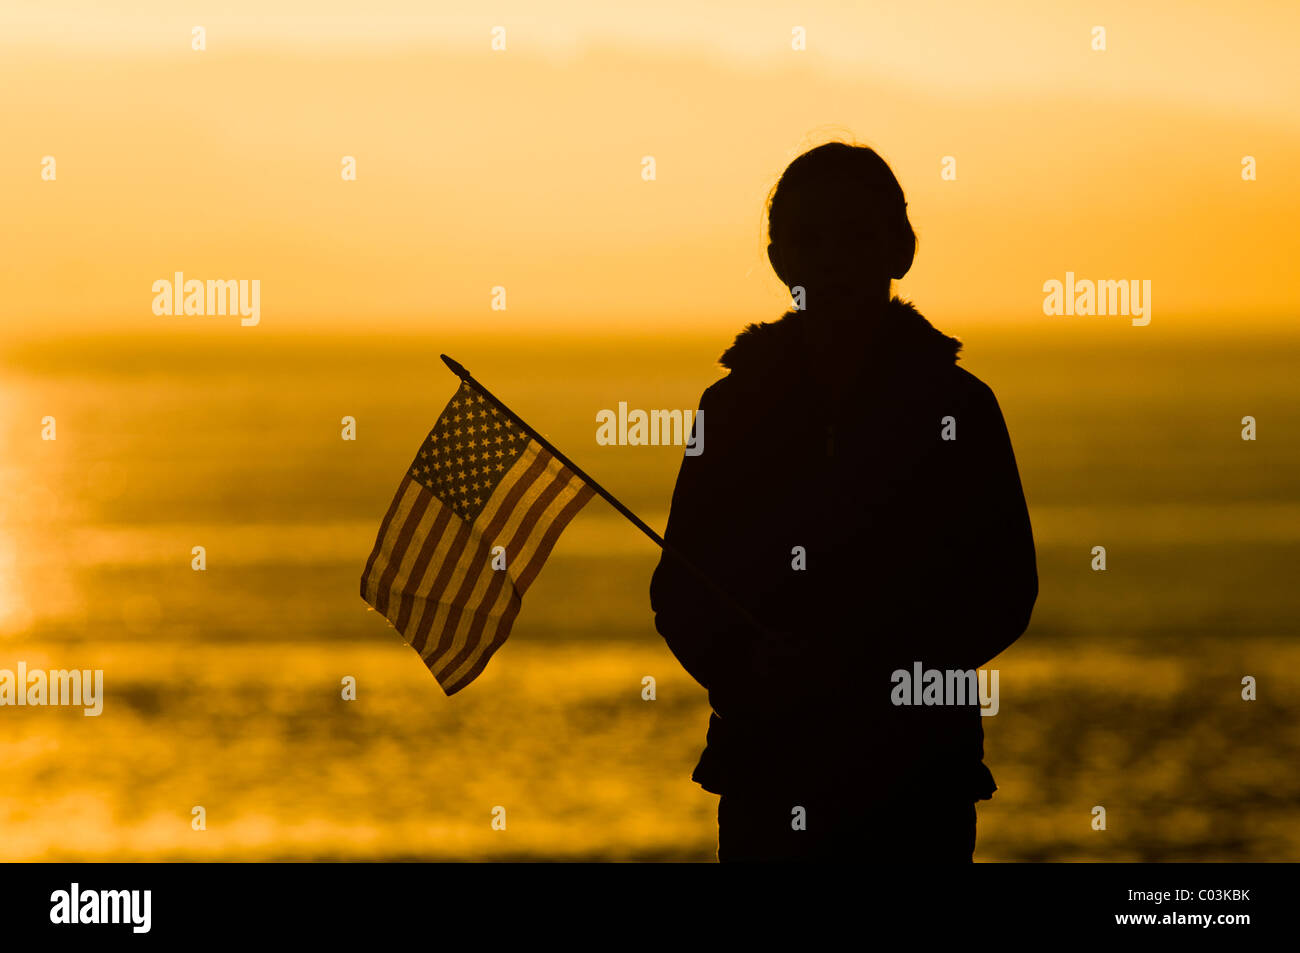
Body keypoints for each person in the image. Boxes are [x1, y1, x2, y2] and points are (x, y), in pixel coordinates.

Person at [649, 141, 1038, 862]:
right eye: (811, 237)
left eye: (856, 233)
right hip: (771, 766)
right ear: (780, 259)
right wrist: (747, 665)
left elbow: (1005, 590)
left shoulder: (959, 407)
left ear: (900, 248)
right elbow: (681, 589)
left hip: (916, 777)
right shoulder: (731, 411)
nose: (833, 257)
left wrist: (869, 668)